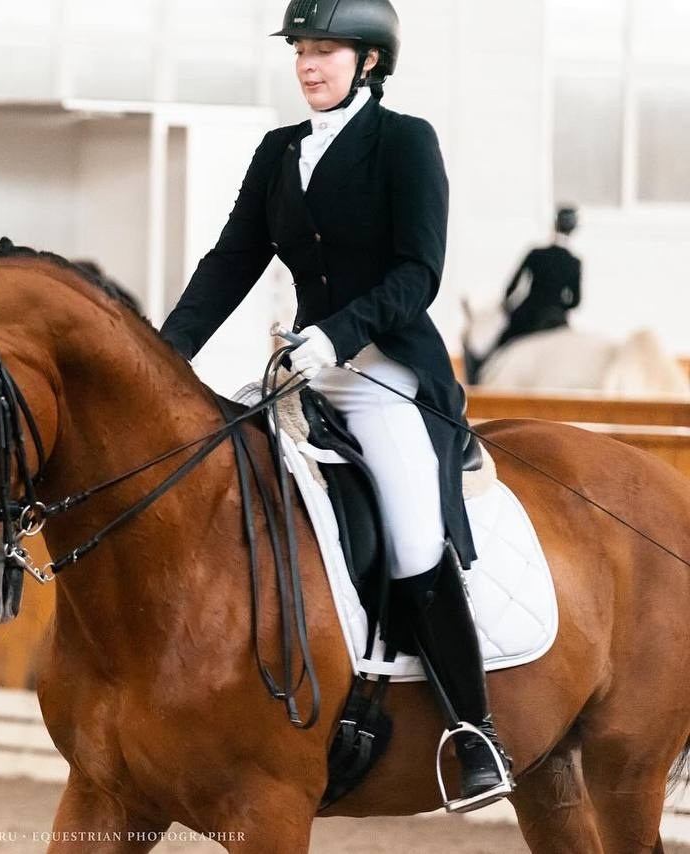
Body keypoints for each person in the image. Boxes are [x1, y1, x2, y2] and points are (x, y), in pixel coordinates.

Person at [159, 0, 513, 811]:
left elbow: (418, 272)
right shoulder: (280, 151)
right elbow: (231, 260)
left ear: (370, 62)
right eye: (301, 51)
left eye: (326, 50)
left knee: (414, 538)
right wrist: (165, 354)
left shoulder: (405, 142)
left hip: (385, 372)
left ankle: (475, 732)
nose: (309, 65)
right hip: (302, 373)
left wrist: (340, 333)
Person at [496, 206, 582, 350]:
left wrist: (507, 306)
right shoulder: (574, 262)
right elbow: (576, 301)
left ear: (554, 224)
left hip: (529, 313)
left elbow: (512, 286)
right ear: (573, 230)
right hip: (556, 318)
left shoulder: (535, 254)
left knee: (502, 348)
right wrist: (558, 306)